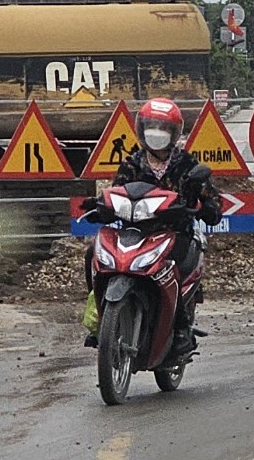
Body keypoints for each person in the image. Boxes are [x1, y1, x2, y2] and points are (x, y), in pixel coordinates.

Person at [86, 96, 221, 353]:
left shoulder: (187, 166)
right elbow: (117, 193)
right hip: (134, 232)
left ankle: (181, 328)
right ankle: (102, 321)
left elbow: (213, 206)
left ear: (174, 133)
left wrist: (203, 204)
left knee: (173, 266)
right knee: (91, 254)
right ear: (141, 130)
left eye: (163, 128)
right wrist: (98, 207)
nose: (156, 134)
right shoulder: (132, 163)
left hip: (175, 232)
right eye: (151, 127)